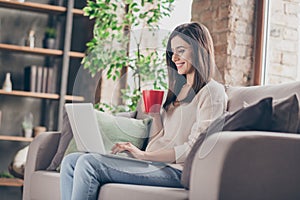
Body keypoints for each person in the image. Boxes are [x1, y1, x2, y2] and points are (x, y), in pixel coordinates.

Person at [60, 22, 228, 200]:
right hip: (155, 163)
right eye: (172, 52)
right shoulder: (177, 91)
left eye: (181, 51)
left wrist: (144, 155)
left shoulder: (212, 92)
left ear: (199, 50)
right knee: (71, 161)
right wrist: (156, 116)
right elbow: (158, 140)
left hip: (179, 170)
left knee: (89, 163)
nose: (174, 58)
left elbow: (195, 148)